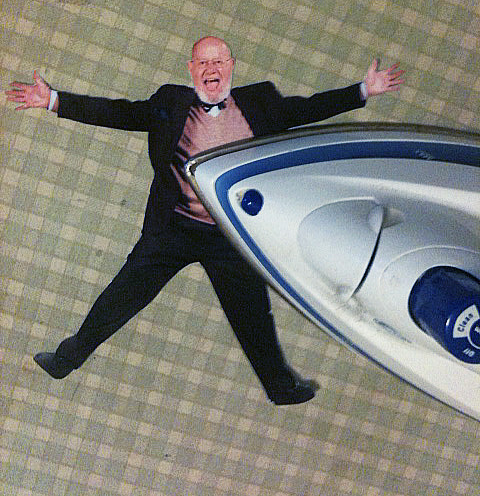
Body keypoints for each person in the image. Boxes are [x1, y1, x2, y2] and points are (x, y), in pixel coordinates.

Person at [5, 37, 404, 405]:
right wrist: (53, 100)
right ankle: (65, 360)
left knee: (252, 316)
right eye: (203, 62)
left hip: (229, 235)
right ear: (191, 68)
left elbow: (307, 108)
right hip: (172, 229)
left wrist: (363, 90)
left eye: (219, 61)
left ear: (230, 66)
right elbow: (119, 112)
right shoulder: (169, 102)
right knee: (122, 296)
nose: (211, 68)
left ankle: (280, 388)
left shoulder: (260, 101)